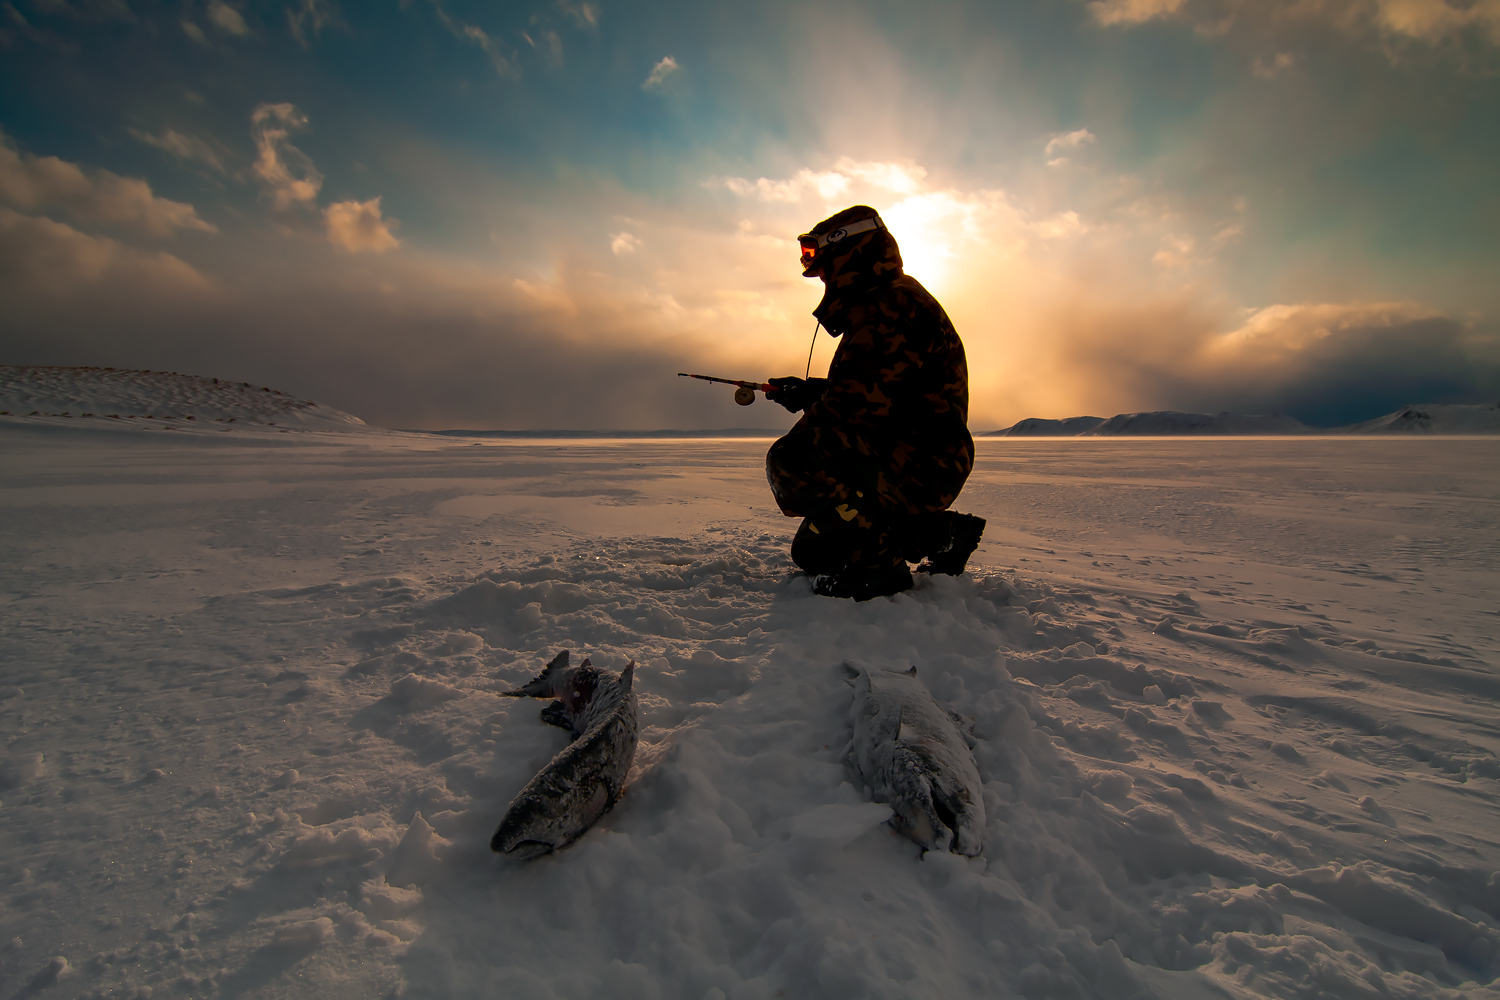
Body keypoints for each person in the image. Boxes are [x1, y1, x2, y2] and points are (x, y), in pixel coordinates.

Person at [764, 205, 986, 601]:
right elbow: (882, 391)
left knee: (792, 460)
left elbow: (854, 411)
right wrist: (809, 393)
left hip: (920, 463)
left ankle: (877, 568)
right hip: (910, 453)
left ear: (849, 254)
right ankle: (941, 536)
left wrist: (815, 416)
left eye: (827, 268)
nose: (825, 279)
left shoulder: (891, 309)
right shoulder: (890, 302)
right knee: (813, 552)